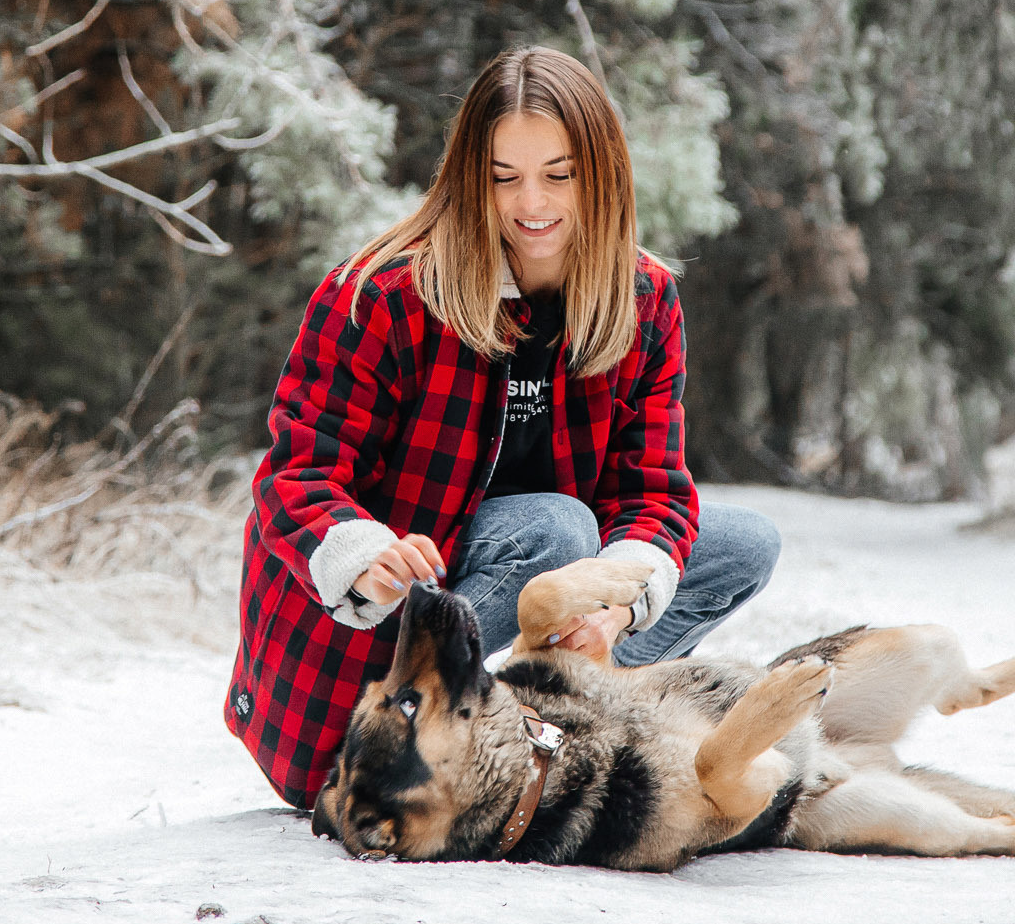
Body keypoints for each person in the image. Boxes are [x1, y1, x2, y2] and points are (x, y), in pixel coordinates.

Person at [225, 46, 781, 809]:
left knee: (742, 545)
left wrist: (615, 612)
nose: (532, 202)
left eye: (559, 174)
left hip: (531, 583)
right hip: (362, 670)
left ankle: (546, 722)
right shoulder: (383, 296)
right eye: (503, 177)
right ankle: (410, 736)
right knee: (555, 530)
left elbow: (652, 492)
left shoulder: (642, 300)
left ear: (601, 175)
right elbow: (296, 475)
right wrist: (364, 557)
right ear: (469, 177)